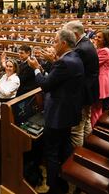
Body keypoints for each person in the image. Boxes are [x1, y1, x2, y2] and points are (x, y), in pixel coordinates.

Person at [27, 29, 85, 194]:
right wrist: (52, 63)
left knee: (51, 152)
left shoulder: (64, 62)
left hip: (58, 115)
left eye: (55, 41)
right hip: (68, 113)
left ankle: (55, 189)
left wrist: (36, 68)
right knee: (64, 147)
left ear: (63, 43)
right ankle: (65, 182)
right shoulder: (74, 58)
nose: (53, 44)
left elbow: (45, 85)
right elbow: (56, 80)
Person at [64, 21, 99, 147]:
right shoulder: (86, 43)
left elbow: (71, 72)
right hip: (89, 91)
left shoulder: (80, 49)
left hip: (83, 94)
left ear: (74, 34)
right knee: (85, 122)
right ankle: (88, 148)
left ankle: (77, 158)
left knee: (76, 129)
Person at [91, 30, 109, 126]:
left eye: (99, 37)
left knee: (96, 108)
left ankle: (94, 129)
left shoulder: (105, 51)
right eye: (96, 36)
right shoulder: (100, 49)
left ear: (105, 40)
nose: (96, 38)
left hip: (100, 82)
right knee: (96, 108)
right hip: (99, 80)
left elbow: (93, 64)